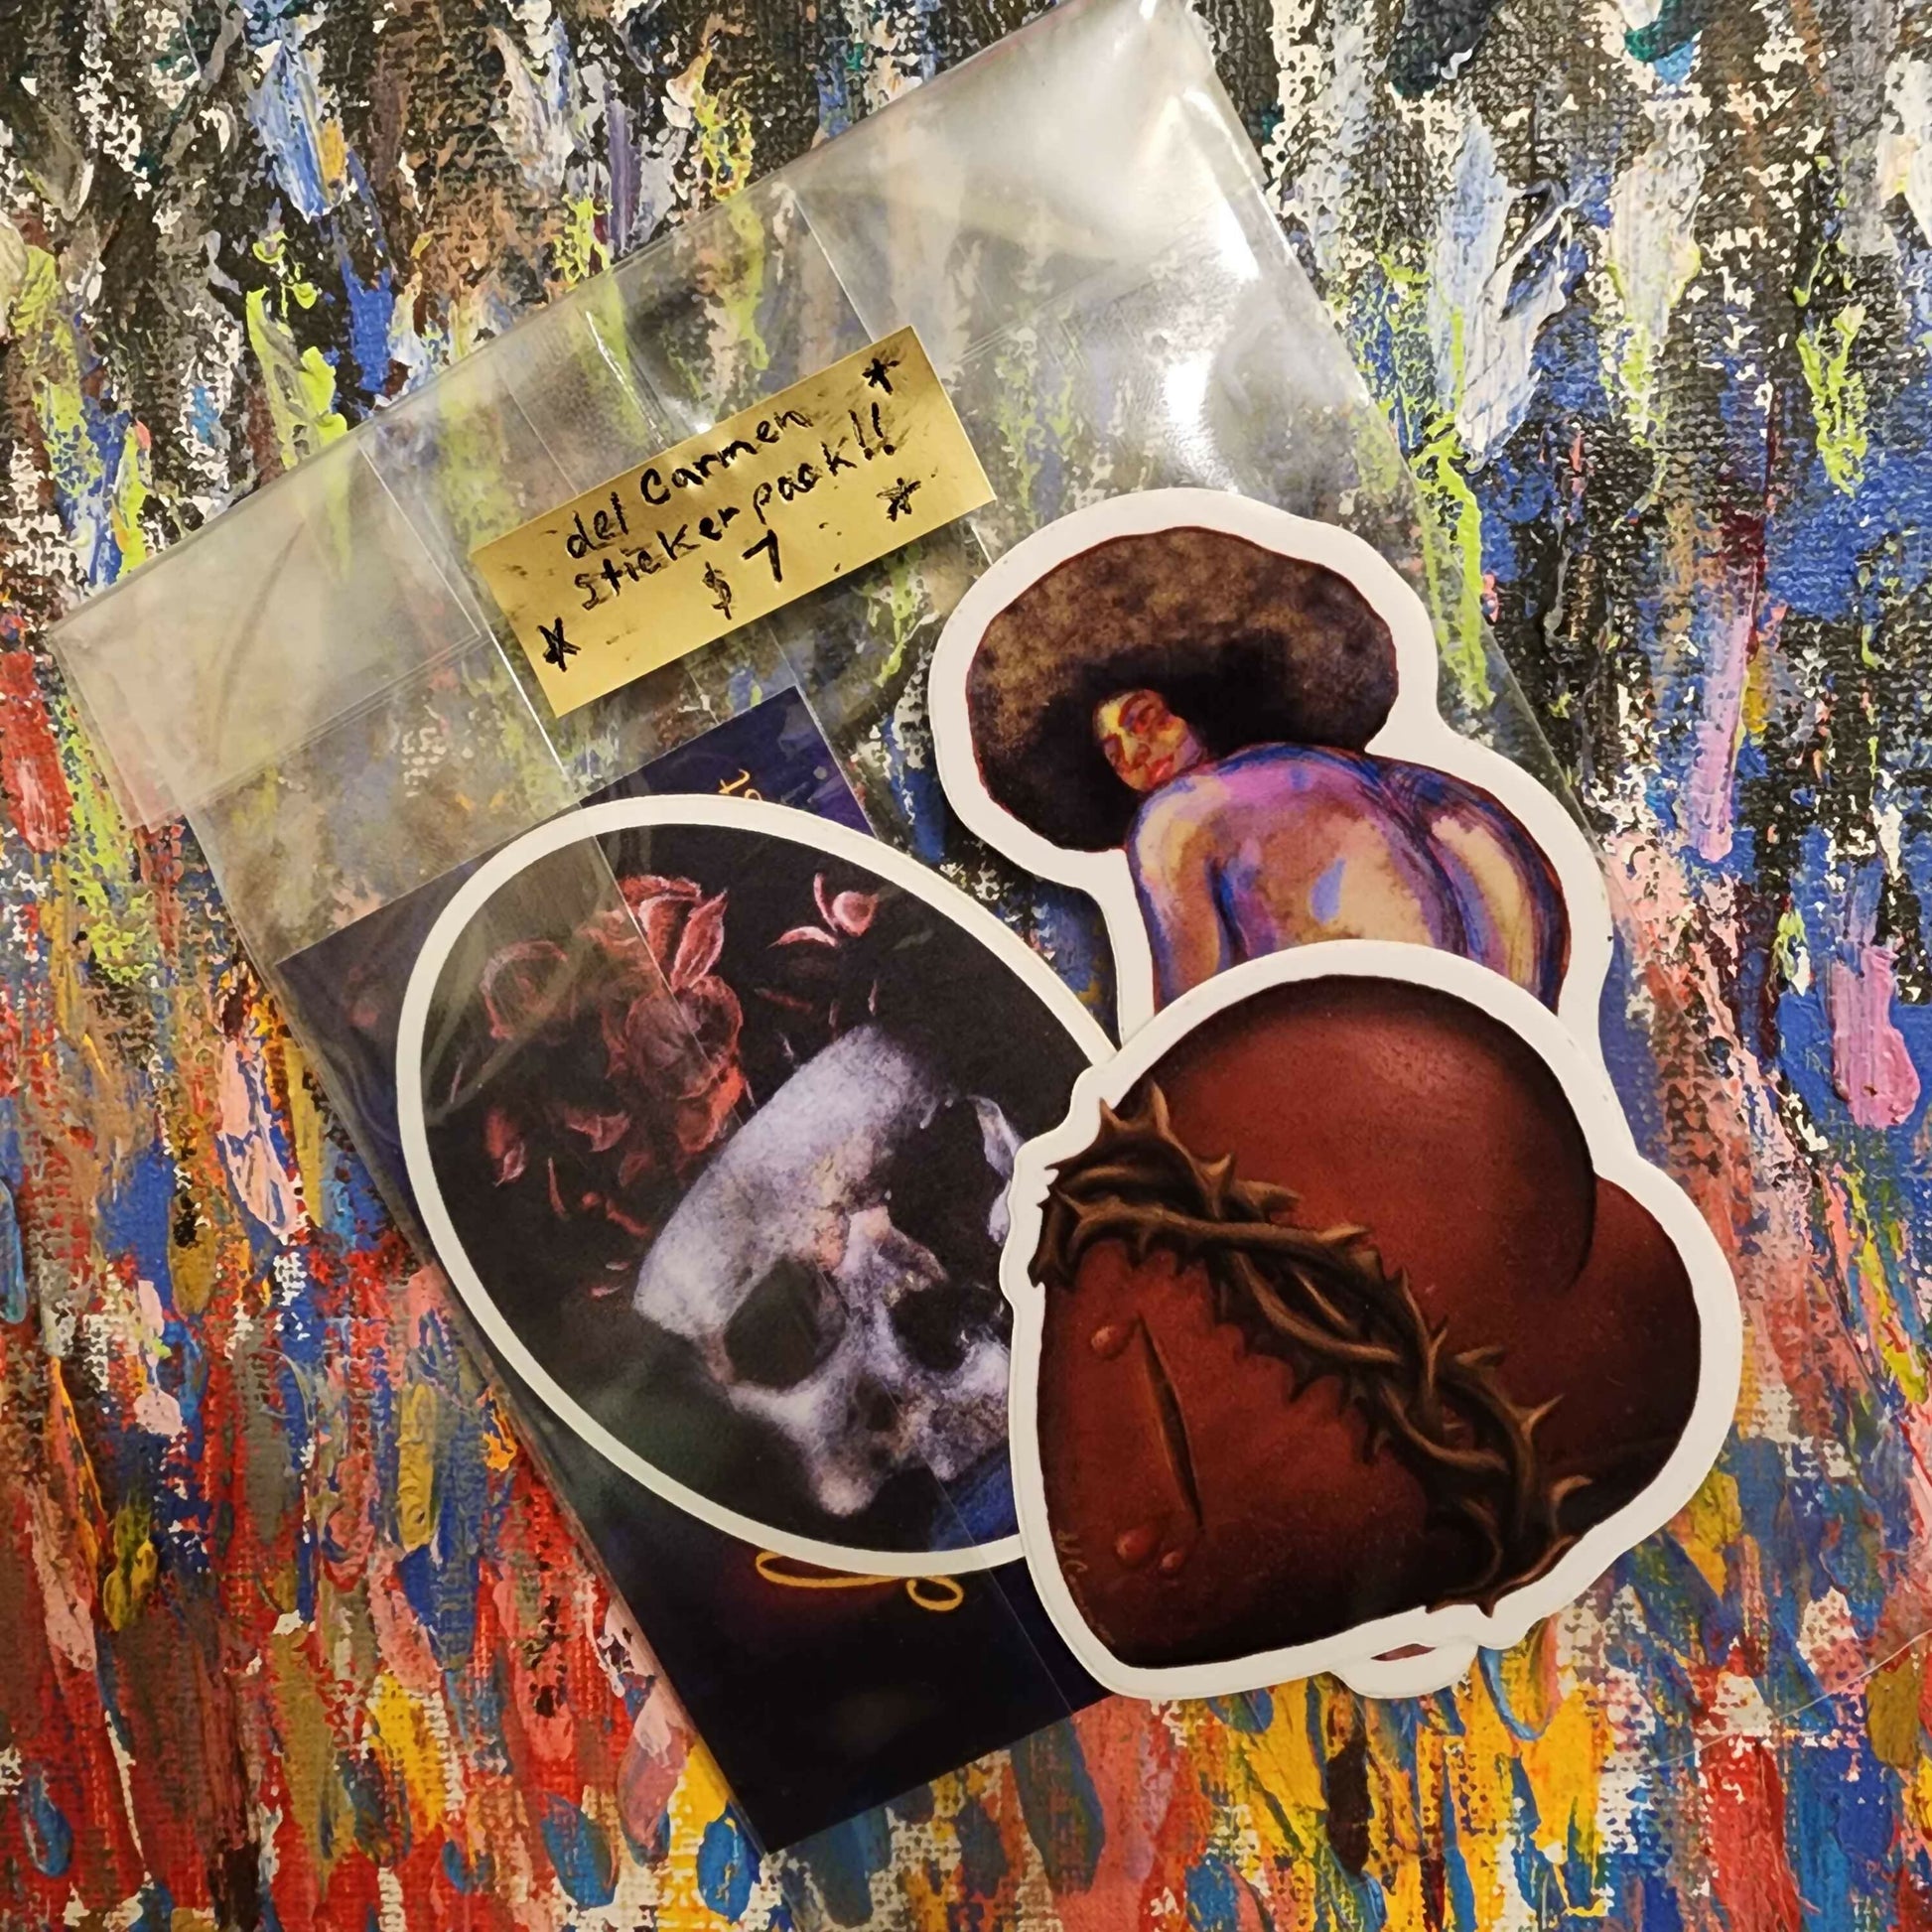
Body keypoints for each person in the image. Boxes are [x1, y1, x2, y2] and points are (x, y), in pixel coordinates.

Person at [1093, 688, 1569, 1010]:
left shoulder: (1169, 820)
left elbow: (1190, 1017)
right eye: (1116, 756)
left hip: (1362, 1045)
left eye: (1146, 720)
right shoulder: (1372, 774)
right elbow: (1513, 885)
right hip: (1482, 1026)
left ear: (1187, 702)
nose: (1137, 752)